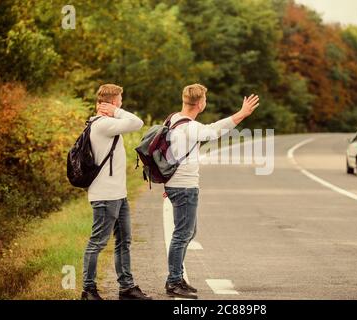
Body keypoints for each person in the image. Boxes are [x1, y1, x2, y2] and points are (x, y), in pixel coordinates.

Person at [164, 84, 259, 299]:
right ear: (200, 103)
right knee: (182, 234)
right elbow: (214, 130)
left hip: (177, 184)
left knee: (188, 232)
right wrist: (242, 114)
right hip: (185, 186)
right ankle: (174, 281)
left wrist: (168, 183)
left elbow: (169, 154)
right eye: (205, 99)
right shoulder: (190, 126)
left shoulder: (172, 120)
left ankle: (176, 277)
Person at [81, 84, 151, 300]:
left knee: (124, 240)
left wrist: (115, 111)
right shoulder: (103, 124)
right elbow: (136, 123)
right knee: (97, 242)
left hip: (118, 195)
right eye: (120, 99)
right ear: (112, 102)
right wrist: (115, 112)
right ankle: (88, 289)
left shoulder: (108, 124)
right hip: (105, 196)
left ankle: (126, 288)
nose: (122, 102)